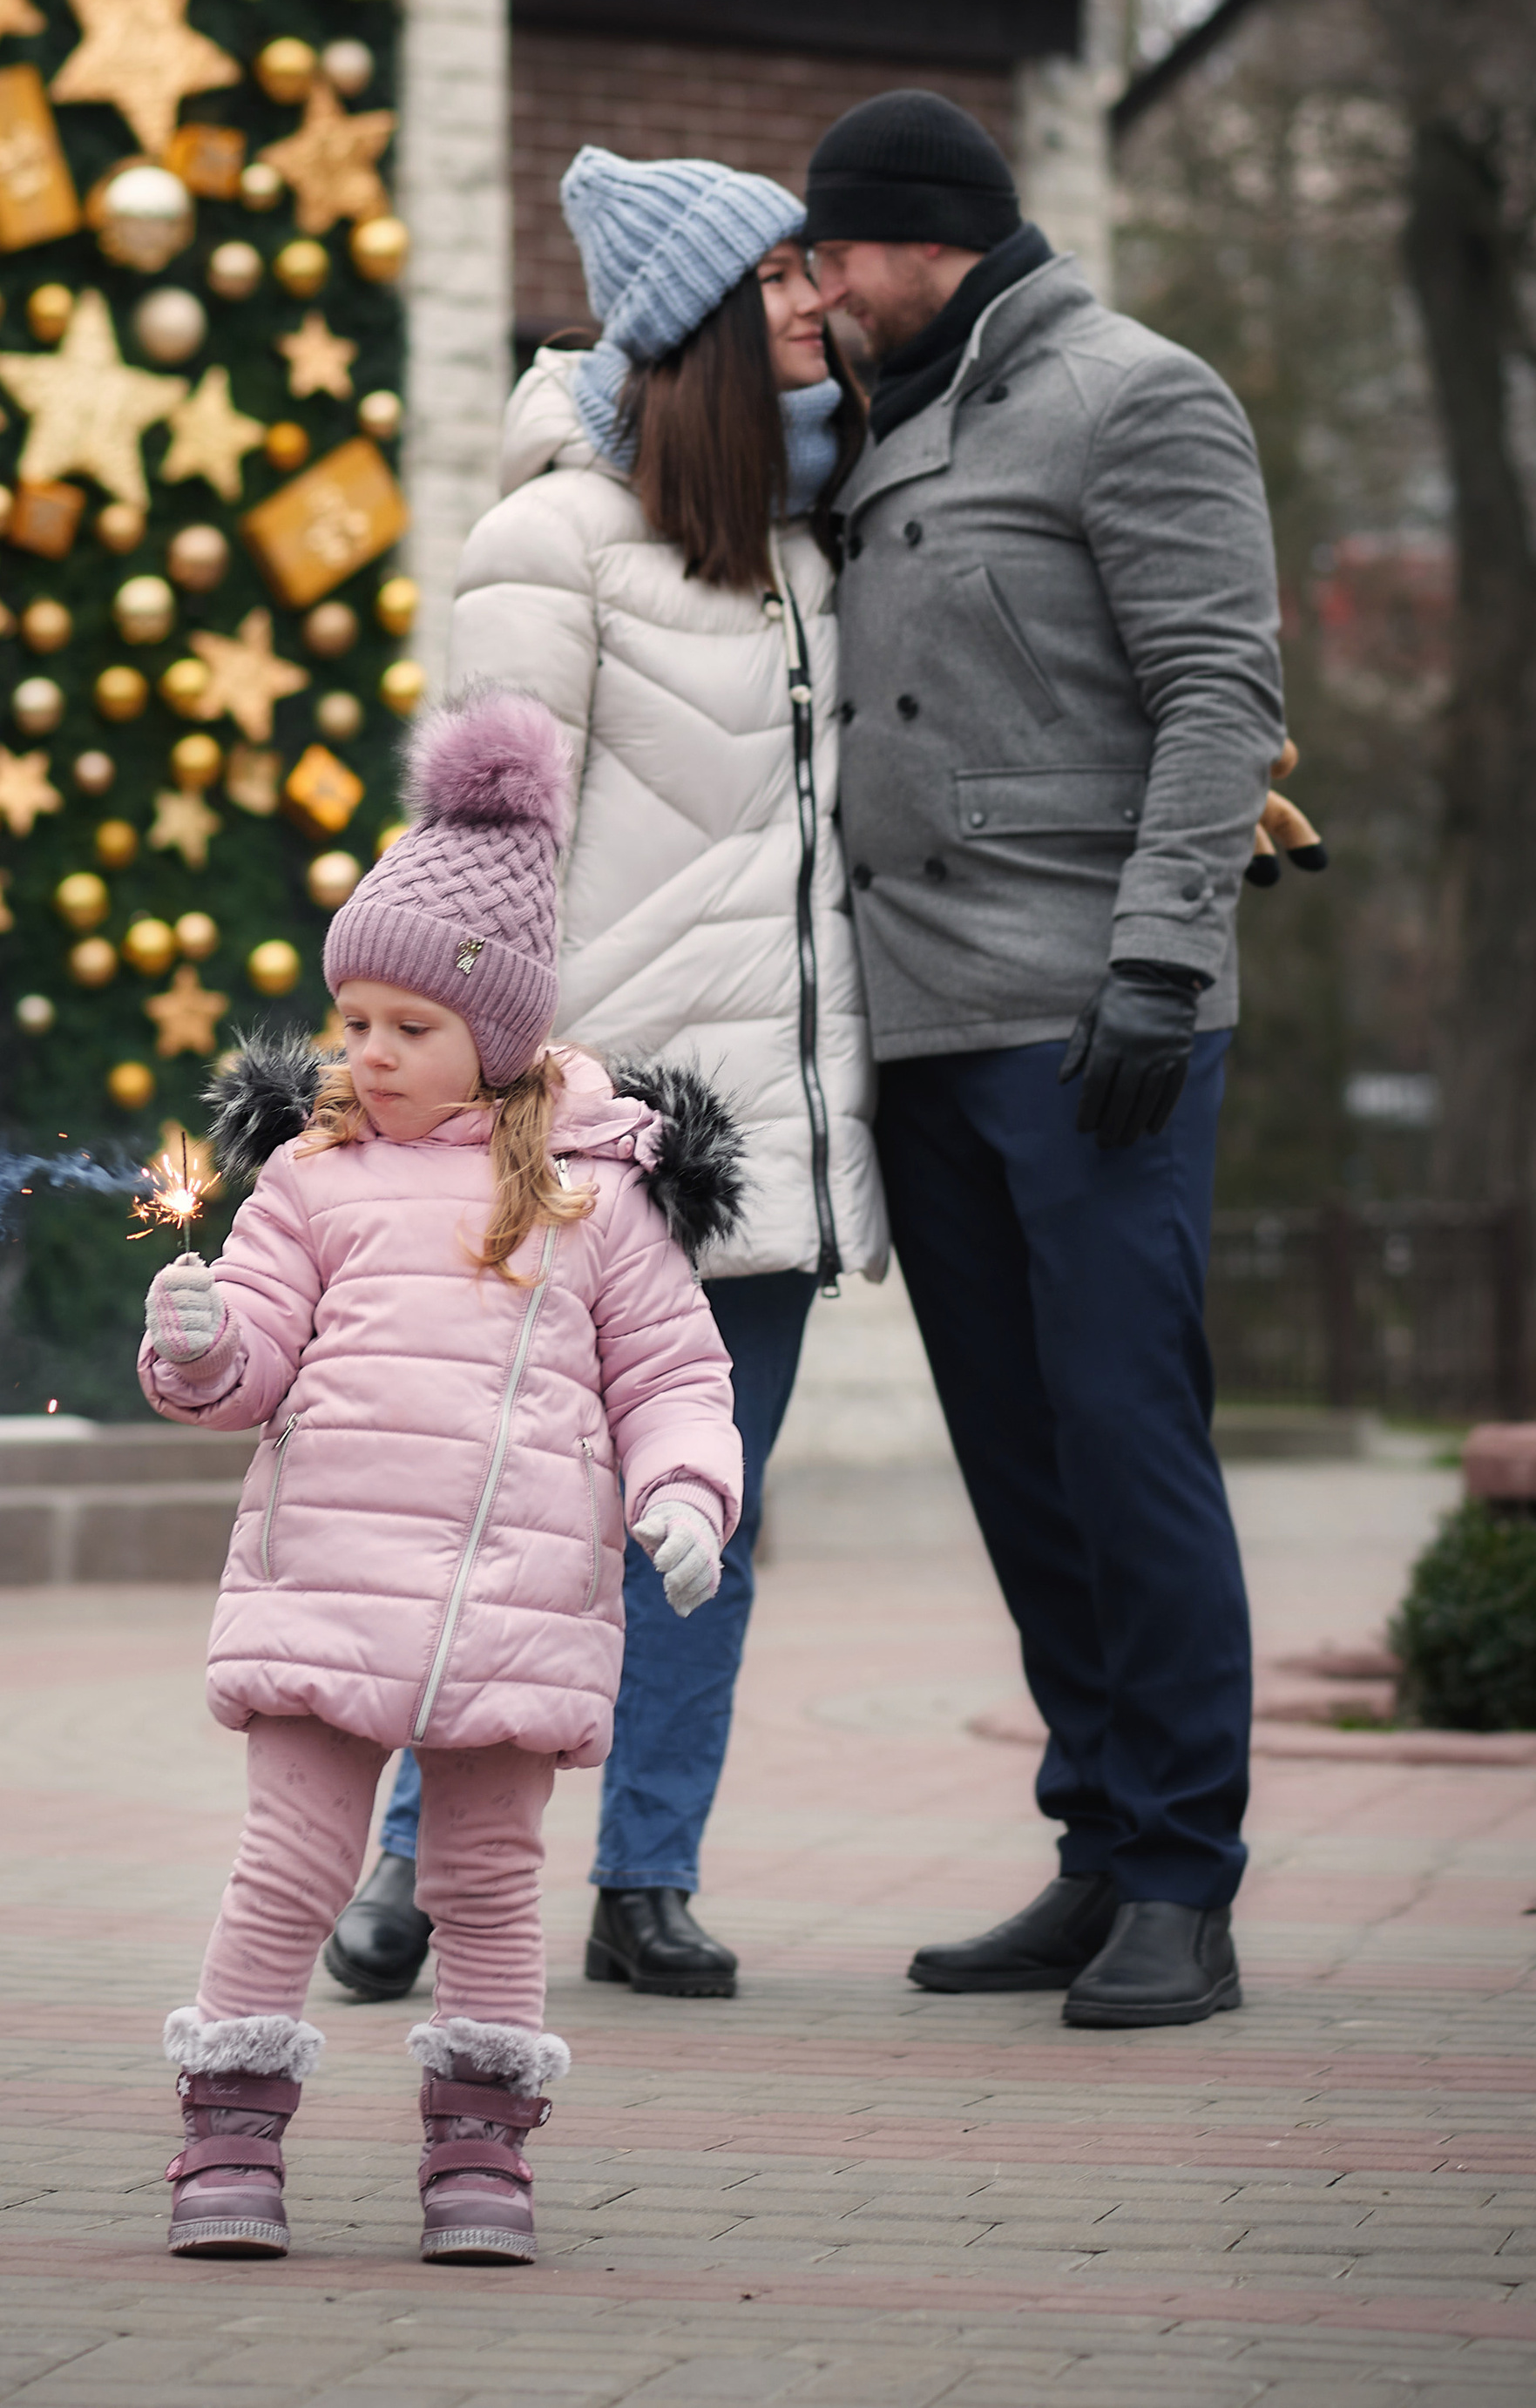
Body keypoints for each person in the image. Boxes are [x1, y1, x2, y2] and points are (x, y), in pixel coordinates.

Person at [328, 150, 889, 2006]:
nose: (819, 301)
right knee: (505, 1514)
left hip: (764, 1161)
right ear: (708, 324)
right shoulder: (549, 542)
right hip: (574, 1154)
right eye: (788, 276)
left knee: (700, 1520)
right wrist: (463, 1101)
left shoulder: (812, 553)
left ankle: (648, 1878)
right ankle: (406, 1863)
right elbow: (483, 850)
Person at [138, 688, 744, 2267]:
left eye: (409, 1028)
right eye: (353, 1024)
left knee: (486, 1883)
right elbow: (250, 1366)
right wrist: (202, 1342)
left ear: (502, 1029)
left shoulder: (596, 1201)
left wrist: (686, 1493)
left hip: (518, 1609)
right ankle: (226, 2141)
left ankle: (482, 2158)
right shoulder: (311, 1182)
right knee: (289, 1865)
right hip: (329, 1597)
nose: (369, 1055)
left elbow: (675, 1373)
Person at [804, 86, 1285, 2030]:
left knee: (1124, 1440)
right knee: (1018, 1462)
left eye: (835, 250)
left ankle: (1185, 1877)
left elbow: (1216, 690)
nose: (818, 286)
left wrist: (1158, 964)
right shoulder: (875, 421)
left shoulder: (1135, 394)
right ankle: (1095, 1847)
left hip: (1096, 1022)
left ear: (925, 239)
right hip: (920, 1020)